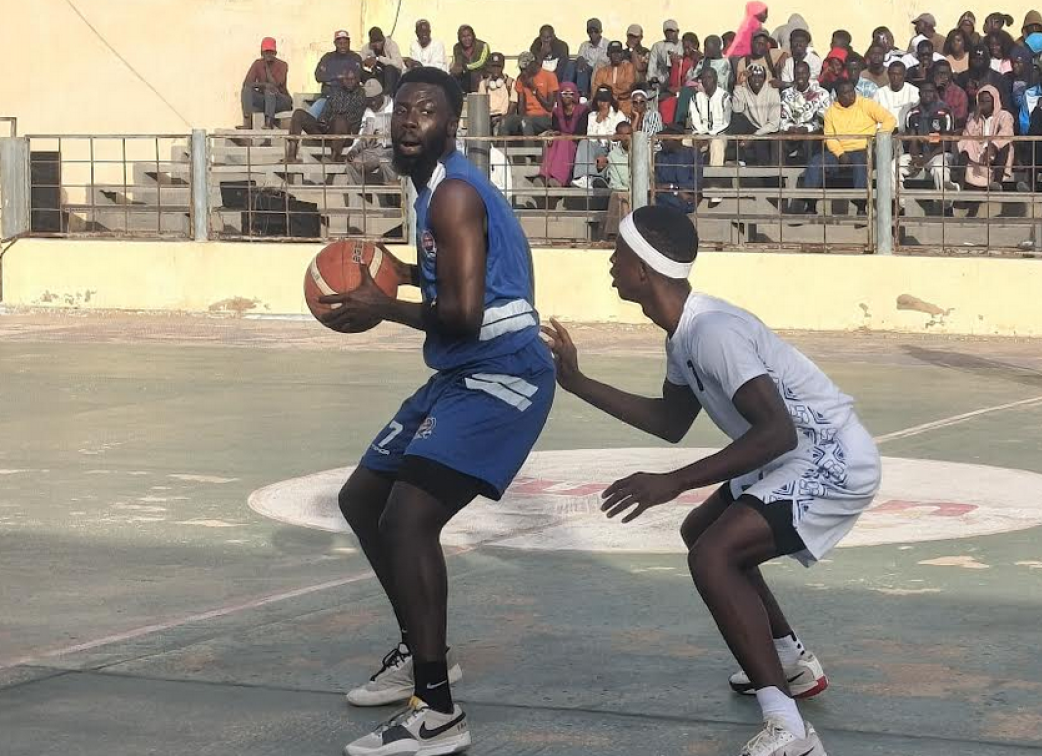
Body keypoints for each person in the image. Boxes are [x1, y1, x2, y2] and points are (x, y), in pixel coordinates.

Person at [541, 204, 880, 756]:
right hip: (795, 453)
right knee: (702, 533)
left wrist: (672, 482)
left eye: (619, 253)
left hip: (831, 459)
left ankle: (789, 730)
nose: (610, 261)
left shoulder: (711, 331)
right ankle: (790, 663)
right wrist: (576, 382)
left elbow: (777, 433)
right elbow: (670, 422)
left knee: (713, 555)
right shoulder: (681, 334)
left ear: (645, 271)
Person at [328, 66, 556, 756]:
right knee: (362, 499)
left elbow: (459, 314)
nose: (407, 121)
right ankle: (422, 651)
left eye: (424, 112)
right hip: (461, 370)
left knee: (408, 518)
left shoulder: (454, 195)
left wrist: (382, 304)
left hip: (503, 373)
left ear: (450, 125)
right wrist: (391, 273)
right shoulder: (431, 191)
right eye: (401, 109)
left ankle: (437, 710)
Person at [798, 77, 896, 212]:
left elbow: (890, 120)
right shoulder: (831, 111)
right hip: (838, 151)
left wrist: (878, 136)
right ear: (838, 96)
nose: (851, 95)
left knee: (861, 163)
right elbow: (830, 137)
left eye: (852, 91)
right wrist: (840, 154)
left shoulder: (867, 104)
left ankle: (861, 207)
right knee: (816, 162)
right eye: (846, 93)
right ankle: (810, 204)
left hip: (863, 148)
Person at [286, 69, 364, 163]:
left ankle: (334, 157)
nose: (349, 82)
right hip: (328, 130)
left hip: (346, 135)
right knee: (298, 114)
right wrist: (323, 121)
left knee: (340, 119)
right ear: (342, 80)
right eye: (347, 79)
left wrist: (333, 118)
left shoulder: (361, 94)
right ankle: (291, 154)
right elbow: (326, 110)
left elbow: (351, 117)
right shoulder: (336, 92)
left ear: (357, 80)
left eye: (352, 79)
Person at [956, 85, 1015, 195]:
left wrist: (992, 146)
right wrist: (976, 117)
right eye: (981, 101)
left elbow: (1007, 133)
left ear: (994, 101)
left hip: (996, 151)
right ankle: (959, 185)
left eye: (987, 101)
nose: (983, 105)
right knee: (965, 142)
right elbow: (967, 134)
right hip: (979, 150)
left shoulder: (1004, 115)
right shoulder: (974, 116)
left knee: (1006, 145)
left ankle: (997, 183)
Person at [899, 80, 956, 191]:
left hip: (938, 154)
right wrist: (915, 158)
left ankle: (946, 205)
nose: (927, 94)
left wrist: (927, 159)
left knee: (939, 169)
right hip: (918, 155)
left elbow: (946, 143)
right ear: (919, 93)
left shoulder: (944, 113)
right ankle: (899, 204)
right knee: (894, 167)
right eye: (924, 91)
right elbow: (913, 140)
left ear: (935, 93)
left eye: (931, 91)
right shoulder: (912, 113)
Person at [345, 79, 396, 188]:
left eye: (374, 100)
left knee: (385, 163)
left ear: (381, 95)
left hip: (393, 150)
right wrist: (354, 149)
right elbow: (365, 136)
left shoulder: (395, 107)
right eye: (369, 101)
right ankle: (360, 198)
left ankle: (393, 197)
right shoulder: (369, 112)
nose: (372, 103)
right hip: (374, 150)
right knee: (353, 163)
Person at [574, 85, 626, 189]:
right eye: (600, 100)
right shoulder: (592, 116)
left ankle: (596, 178)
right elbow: (591, 138)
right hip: (596, 147)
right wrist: (598, 120)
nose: (602, 103)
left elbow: (618, 139)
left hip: (612, 148)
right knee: (584, 143)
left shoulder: (619, 115)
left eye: (605, 100)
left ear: (610, 101)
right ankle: (583, 177)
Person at [729, 64, 781, 165]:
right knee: (737, 118)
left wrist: (753, 137)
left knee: (760, 143)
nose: (756, 79)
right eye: (753, 76)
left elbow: (774, 124)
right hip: (751, 127)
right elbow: (737, 109)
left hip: (768, 130)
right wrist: (739, 85)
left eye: (760, 76)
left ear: (764, 78)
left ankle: (767, 177)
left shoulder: (773, 93)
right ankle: (740, 160)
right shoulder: (743, 90)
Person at [538, 82, 589, 188]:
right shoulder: (557, 112)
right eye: (564, 94)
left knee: (563, 141)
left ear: (574, 95)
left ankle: (559, 178)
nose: (567, 97)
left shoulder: (583, 111)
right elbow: (556, 129)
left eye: (570, 94)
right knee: (552, 141)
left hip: (576, 142)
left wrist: (563, 135)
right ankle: (544, 176)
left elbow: (581, 131)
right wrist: (553, 134)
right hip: (561, 139)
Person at [779, 60, 830, 164]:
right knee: (777, 139)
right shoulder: (786, 93)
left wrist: (806, 128)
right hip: (791, 132)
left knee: (810, 139)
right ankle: (779, 176)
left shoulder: (822, 93)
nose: (800, 76)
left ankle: (809, 176)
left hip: (812, 133)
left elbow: (822, 120)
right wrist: (790, 128)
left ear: (809, 74)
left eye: (803, 73)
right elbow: (782, 117)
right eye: (797, 73)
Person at [500, 52, 557, 137]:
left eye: (525, 68)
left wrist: (534, 88)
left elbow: (549, 107)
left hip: (545, 117)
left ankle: (529, 149)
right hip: (527, 117)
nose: (523, 72)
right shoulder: (521, 79)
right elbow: (521, 108)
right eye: (521, 69)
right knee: (505, 121)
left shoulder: (549, 76)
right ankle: (500, 149)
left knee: (526, 121)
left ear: (533, 64)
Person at [240, 36, 292, 129]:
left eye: (270, 52)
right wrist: (263, 84)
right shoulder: (257, 63)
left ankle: (269, 122)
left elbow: (275, 85)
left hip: (281, 100)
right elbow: (247, 83)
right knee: (246, 90)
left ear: (275, 53)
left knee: (270, 90)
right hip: (265, 99)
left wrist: (267, 68)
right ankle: (247, 123)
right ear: (262, 53)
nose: (268, 54)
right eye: (266, 52)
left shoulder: (283, 65)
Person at [689, 67, 732, 168]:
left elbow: (726, 123)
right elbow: (695, 121)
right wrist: (700, 135)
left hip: (719, 134)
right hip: (701, 134)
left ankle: (715, 179)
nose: (706, 81)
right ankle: (686, 178)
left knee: (716, 144)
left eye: (709, 77)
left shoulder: (725, 97)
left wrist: (710, 135)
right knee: (683, 142)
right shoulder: (695, 98)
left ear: (716, 79)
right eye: (703, 78)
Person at [654, 127, 704, 214]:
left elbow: (696, 182)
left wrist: (674, 188)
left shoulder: (693, 154)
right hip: (667, 196)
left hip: (687, 196)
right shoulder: (660, 156)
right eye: (662, 139)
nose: (662, 142)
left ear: (677, 139)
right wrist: (675, 190)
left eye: (665, 140)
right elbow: (658, 183)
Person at [600, 120, 634, 238]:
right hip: (624, 191)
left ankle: (619, 235)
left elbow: (648, 177)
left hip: (642, 191)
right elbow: (615, 183)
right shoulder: (613, 155)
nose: (626, 138)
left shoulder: (643, 151)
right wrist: (628, 192)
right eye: (622, 135)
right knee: (618, 195)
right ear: (618, 137)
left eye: (629, 134)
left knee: (622, 198)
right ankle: (619, 235)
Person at [315, 30, 364, 108]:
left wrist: (331, 80)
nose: (343, 46)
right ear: (335, 43)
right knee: (309, 115)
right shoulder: (327, 57)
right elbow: (318, 77)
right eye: (340, 43)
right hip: (328, 97)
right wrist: (337, 76)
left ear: (349, 43)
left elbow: (358, 77)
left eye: (345, 43)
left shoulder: (355, 57)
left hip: (349, 97)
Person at [593, 41, 639, 114]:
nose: (616, 55)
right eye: (613, 52)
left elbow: (627, 87)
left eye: (619, 52)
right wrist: (616, 89)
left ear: (622, 54)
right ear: (608, 54)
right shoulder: (601, 71)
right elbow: (596, 91)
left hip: (626, 104)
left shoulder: (629, 67)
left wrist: (607, 91)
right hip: (606, 106)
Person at [475, 53, 516, 134]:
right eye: (493, 66)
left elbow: (513, 104)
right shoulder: (483, 84)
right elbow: (481, 105)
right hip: (488, 118)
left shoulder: (510, 83)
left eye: (498, 66)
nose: (496, 69)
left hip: (504, 118)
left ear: (503, 66)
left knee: (501, 126)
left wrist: (502, 119)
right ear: (489, 67)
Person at [874, 61, 919, 129]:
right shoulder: (879, 93)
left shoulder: (914, 91)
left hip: (907, 132)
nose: (895, 77)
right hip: (885, 131)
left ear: (905, 74)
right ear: (888, 74)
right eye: (892, 74)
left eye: (899, 74)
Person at [361, 26, 406, 94]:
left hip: (394, 75)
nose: (377, 45)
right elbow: (360, 57)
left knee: (389, 68)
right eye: (374, 43)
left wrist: (379, 59)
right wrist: (366, 62)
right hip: (379, 75)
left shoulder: (391, 45)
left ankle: (387, 95)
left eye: (379, 42)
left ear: (383, 39)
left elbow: (398, 64)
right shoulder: (368, 47)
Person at [450, 25, 490, 94]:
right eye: (463, 37)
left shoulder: (483, 46)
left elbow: (481, 62)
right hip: (465, 76)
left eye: (469, 36)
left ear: (473, 35)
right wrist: (454, 69)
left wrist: (465, 67)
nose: (466, 39)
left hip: (482, 75)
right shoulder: (457, 47)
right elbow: (457, 62)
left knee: (474, 74)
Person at [575, 18, 610, 97]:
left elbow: (605, 63)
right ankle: (579, 93)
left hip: (602, 71)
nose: (593, 34)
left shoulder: (607, 44)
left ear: (601, 31)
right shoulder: (584, 45)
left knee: (598, 64)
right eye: (590, 31)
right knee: (573, 65)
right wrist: (580, 60)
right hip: (587, 70)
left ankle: (589, 95)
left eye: (596, 31)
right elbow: (580, 58)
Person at [648, 20, 684, 89]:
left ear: (677, 31)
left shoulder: (683, 45)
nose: (669, 34)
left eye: (672, 31)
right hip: (662, 79)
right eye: (667, 32)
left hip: (680, 79)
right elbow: (652, 66)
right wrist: (653, 78)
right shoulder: (658, 46)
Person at [932, 61, 969, 127]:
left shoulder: (960, 93)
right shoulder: (929, 91)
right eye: (939, 73)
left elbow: (960, 119)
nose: (942, 76)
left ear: (950, 74)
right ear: (934, 74)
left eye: (945, 73)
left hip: (952, 131)